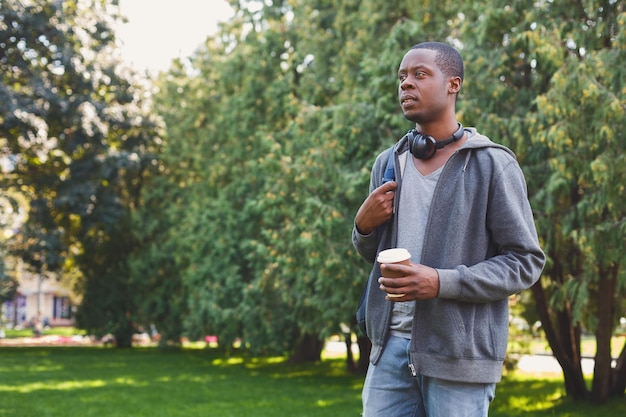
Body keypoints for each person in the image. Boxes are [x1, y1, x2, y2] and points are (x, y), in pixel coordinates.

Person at [352, 41, 545, 417]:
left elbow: (525, 261)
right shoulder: (388, 164)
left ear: (453, 84)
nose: (406, 84)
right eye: (402, 77)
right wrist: (363, 226)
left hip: (459, 357)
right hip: (389, 349)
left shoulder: (492, 164)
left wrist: (441, 282)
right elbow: (373, 256)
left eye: (420, 75)